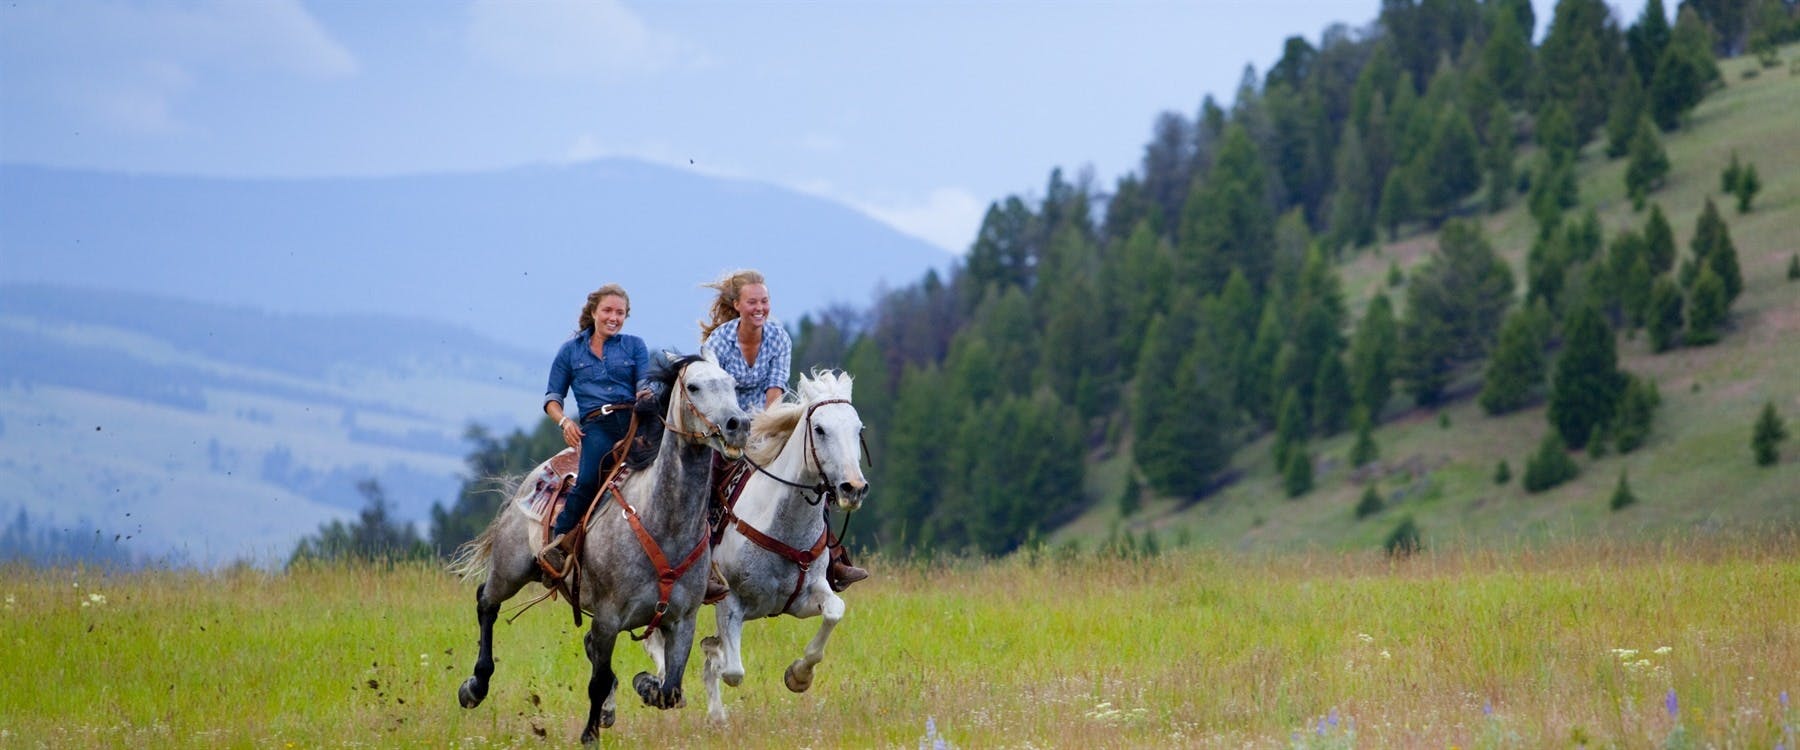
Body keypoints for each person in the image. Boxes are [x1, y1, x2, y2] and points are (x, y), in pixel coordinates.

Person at [700, 269, 869, 590]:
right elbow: (720, 396)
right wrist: (737, 432)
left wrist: (763, 431)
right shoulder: (718, 342)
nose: (760, 307)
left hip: (766, 421)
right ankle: (705, 561)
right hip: (726, 426)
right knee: (708, 480)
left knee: (812, 475)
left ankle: (832, 557)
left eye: (764, 301)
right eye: (752, 302)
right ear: (737, 305)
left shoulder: (778, 337)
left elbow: (775, 390)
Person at [536, 284, 652, 576]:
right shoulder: (570, 352)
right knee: (588, 479)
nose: (614, 317)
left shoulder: (635, 345)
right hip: (596, 425)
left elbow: (644, 385)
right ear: (593, 312)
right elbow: (552, 399)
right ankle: (557, 547)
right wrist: (564, 422)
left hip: (634, 419)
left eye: (620, 312)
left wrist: (645, 399)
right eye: (608, 311)